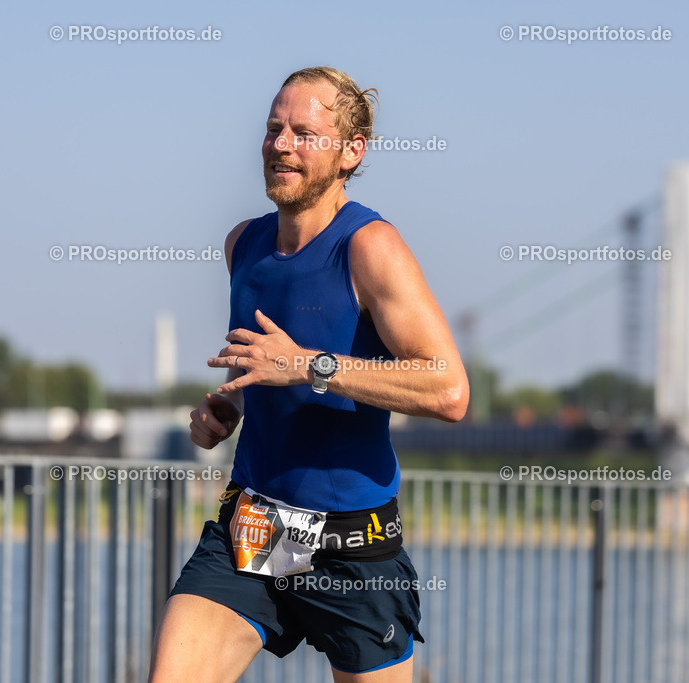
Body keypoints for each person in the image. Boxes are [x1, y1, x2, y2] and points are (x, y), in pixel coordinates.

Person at [149, 66, 469, 683]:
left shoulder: (371, 247)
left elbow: (449, 389)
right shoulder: (242, 245)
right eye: (274, 129)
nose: (282, 144)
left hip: (353, 547)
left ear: (351, 152)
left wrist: (307, 366)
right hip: (255, 529)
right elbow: (266, 364)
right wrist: (227, 409)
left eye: (305, 132)